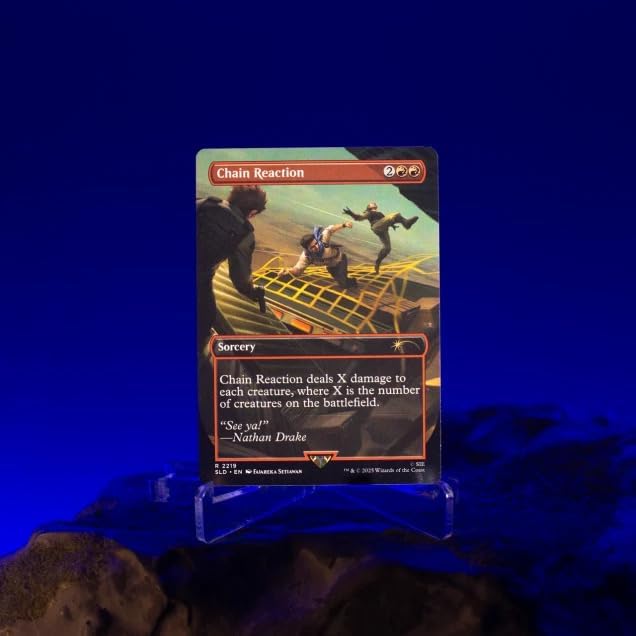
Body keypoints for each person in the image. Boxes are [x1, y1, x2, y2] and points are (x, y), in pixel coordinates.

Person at [343, 202, 419, 273]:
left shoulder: (380, 213)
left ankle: (378, 262)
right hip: (377, 226)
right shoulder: (369, 213)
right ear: (369, 207)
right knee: (396, 214)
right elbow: (359, 217)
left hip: (383, 229)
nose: (374, 204)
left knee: (387, 248)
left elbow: (386, 221)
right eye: (372, 204)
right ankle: (406, 223)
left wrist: (393, 225)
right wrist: (351, 213)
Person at [281, 222, 357, 288]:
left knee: (343, 283)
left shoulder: (323, 239)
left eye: (316, 243)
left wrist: (344, 225)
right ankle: (347, 281)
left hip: (340, 260)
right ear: (307, 249)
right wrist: (289, 271)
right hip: (330, 266)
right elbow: (298, 269)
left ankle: (353, 282)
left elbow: (331, 229)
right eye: (312, 247)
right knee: (339, 280)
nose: (316, 247)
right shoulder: (306, 256)